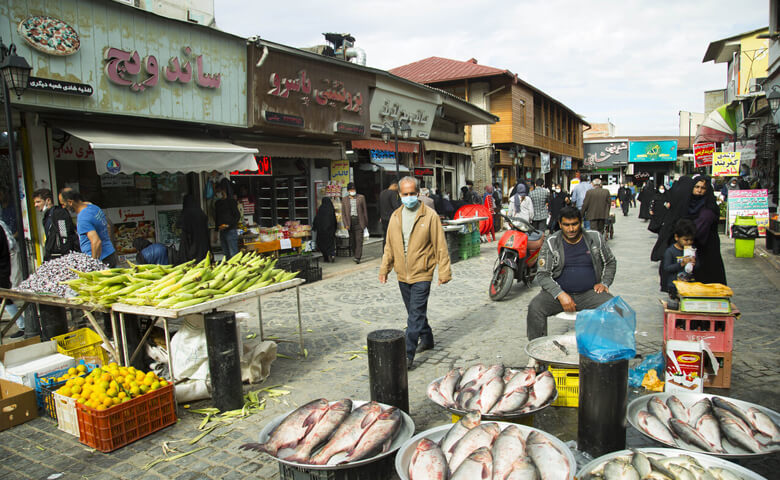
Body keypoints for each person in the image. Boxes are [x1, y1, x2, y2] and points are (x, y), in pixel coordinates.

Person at [379, 176, 451, 369]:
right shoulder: (395, 216)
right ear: (399, 194)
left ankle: (407, 354)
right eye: (405, 194)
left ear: (418, 193)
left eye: (412, 193)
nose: (409, 197)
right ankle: (427, 338)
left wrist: (444, 272)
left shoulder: (430, 215)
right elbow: (389, 246)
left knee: (414, 315)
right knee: (414, 312)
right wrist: (385, 268)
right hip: (402, 273)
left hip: (422, 272)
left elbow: (440, 246)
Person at [526, 206, 617, 340]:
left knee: (614, 308)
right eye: (566, 225)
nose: (571, 229)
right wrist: (560, 294)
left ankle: (605, 351)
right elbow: (543, 275)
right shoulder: (551, 242)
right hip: (558, 295)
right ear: (560, 224)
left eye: (574, 224)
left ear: (580, 222)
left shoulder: (595, 238)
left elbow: (610, 262)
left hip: (590, 293)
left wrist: (605, 283)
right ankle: (537, 353)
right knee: (535, 307)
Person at [651, 176, 726, 286]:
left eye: (703, 188)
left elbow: (700, 227)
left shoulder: (708, 207)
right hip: (688, 246)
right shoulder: (687, 203)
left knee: (705, 280)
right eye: (696, 187)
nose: (699, 190)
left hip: (704, 247)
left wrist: (685, 236)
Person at [60, 189, 118, 267]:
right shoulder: (94, 207)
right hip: (110, 254)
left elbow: (96, 241)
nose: (63, 207)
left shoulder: (83, 218)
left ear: (70, 202)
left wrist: (93, 264)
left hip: (101, 260)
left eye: (63, 204)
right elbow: (108, 226)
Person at [32, 189, 79, 261]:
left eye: (38, 202)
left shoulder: (59, 213)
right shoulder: (47, 216)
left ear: (48, 200)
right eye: (35, 202)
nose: (36, 205)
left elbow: (64, 235)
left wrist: (66, 257)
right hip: (53, 255)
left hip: (60, 256)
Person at [661, 218, 697, 297]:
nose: (689, 242)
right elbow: (667, 268)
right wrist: (681, 264)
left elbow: (698, 265)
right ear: (677, 237)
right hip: (674, 285)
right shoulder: (670, 251)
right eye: (686, 240)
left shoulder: (692, 250)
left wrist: (695, 263)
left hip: (689, 285)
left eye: (691, 240)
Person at [178, 194, 210, 263]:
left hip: (191, 246)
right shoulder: (201, 213)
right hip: (203, 246)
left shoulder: (186, 214)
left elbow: (181, 226)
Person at [342, 182, 368, 264]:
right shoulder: (344, 199)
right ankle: (355, 253)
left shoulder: (361, 197)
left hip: (359, 221)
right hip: (350, 222)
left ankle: (358, 257)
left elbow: (364, 211)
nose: (352, 191)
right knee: (353, 241)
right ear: (348, 190)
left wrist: (365, 223)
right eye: (351, 190)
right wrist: (345, 224)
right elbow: (343, 214)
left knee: (359, 240)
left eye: (354, 189)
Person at [214, 180, 241, 260]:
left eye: (219, 191)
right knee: (226, 254)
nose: (218, 193)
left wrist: (229, 225)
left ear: (224, 191)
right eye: (217, 191)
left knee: (233, 253)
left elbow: (237, 216)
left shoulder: (231, 202)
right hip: (222, 231)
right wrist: (217, 229)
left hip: (231, 231)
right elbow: (217, 217)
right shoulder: (217, 203)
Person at [313, 197, 337, 263]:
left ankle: (326, 257)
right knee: (330, 243)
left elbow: (317, 219)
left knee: (322, 244)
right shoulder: (331, 208)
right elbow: (334, 220)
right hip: (330, 230)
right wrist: (335, 228)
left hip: (321, 231)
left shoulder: (321, 209)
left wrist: (314, 227)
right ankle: (332, 254)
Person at [379, 182, 402, 249]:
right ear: (394, 186)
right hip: (392, 218)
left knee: (385, 236)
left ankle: (385, 250)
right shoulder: (393, 194)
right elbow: (395, 206)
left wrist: (380, 216)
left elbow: (378, 205)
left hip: (383, 218)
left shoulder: (382, 193)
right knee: (393, 236)